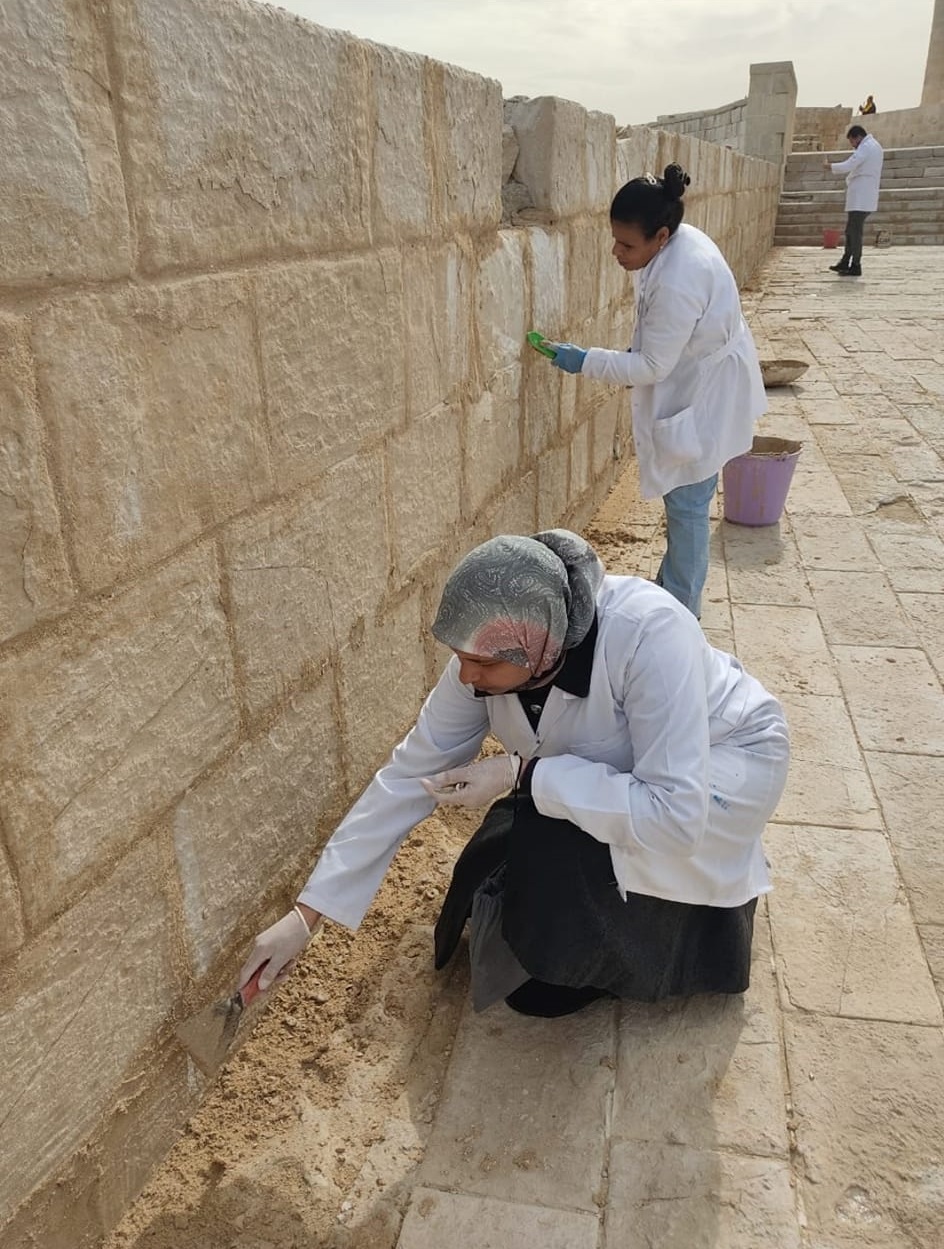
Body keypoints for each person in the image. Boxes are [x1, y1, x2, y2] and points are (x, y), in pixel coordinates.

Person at [238, 530, 790, 1019]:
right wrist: (306, 916)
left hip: (720, 769)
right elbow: (410, 772)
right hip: (619, 778)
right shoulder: (492, 649)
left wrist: (521, 773)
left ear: (540, 645)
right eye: (460, 657)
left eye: (483, 665)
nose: (466, 675)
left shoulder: (649, 632)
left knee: (546, 979)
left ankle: (664, 947)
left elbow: (675, 816)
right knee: (528, 860)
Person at [537, 165, 766, 621]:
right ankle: (672, 593)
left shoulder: (680, 278)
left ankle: (681, 615)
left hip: (703, 396)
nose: (616, 253)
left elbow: (652, 366)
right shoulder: (674, 245)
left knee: (688, 507)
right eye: (615, 240)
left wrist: (585, 360)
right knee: (687, 503)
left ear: (660, 236)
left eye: (627, 245)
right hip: (697, 378)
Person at [823, 125, 884, 277]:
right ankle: (845, 262)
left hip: (861, 198)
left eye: (852, 142)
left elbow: (850, 164)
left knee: (855, 233)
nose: (853, 146)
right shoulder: (874, 146)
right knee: (851, 231)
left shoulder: (866, 147)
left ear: (858, 137)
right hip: (862, 197)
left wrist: (829, 166)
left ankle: (855, 265)